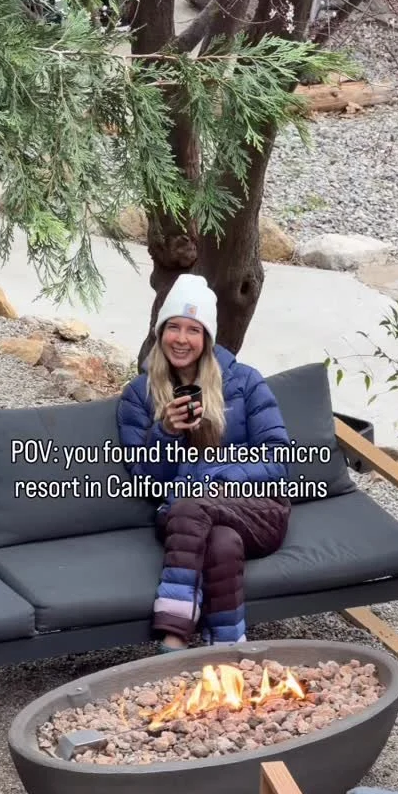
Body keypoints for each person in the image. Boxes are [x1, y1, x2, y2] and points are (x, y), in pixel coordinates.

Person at [116, 273, 292, 653]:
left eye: (193, 330)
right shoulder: (139, 395)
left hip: (258, 511)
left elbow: (278, 460)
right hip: (188, 521)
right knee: (221, 543)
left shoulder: (244, 382)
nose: (181, 339)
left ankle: (174, 636)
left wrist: (213, 477)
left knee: (191, 505)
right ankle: (228, 655)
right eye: (173, 327)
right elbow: (145, 484)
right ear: (160, 332)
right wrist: (165, 433)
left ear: (207, 337)